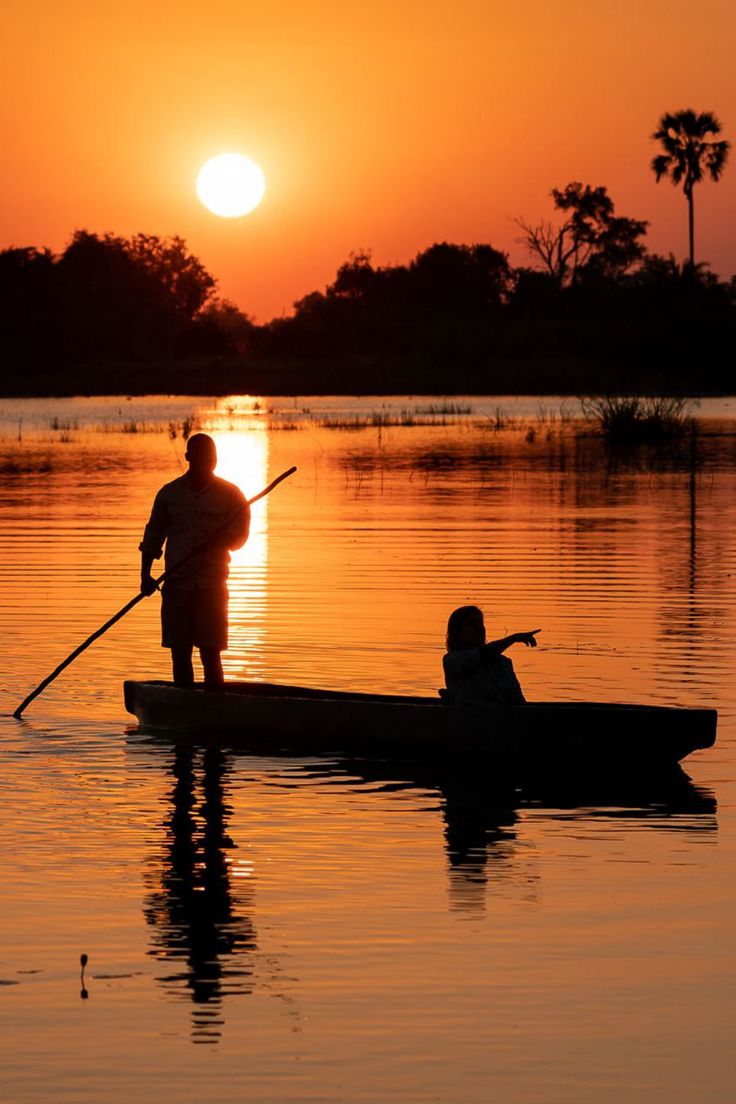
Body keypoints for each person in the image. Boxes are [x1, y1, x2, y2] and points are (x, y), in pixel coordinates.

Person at [139, 433, 250, 689]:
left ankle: (215, 707)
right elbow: (153, 535)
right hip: (177, 585)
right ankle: (184, 703)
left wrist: (216, 541)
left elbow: (240, 536)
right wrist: (145, 575)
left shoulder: (231, 495)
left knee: (211, 654)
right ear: (188, 457)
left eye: (210, 457)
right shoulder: (169, 494)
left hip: (212, 586)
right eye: (200, 456)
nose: (206, 462)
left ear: (216, 460)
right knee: (180, 653)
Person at [442, 605, 540, 705]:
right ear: (457, 632)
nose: (479, 628)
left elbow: (519, 702)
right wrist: (513, 638)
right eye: (471, 624)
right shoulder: (452, 661)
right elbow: (483, 654)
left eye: (480, 623)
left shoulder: (503, 663)